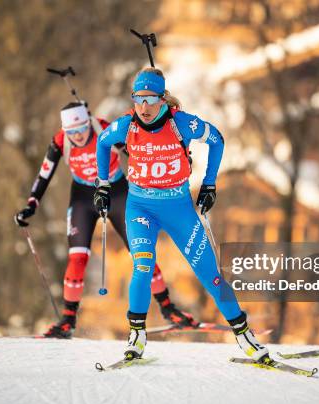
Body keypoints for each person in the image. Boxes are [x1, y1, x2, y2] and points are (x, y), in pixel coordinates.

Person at [94, 67, 269, 361]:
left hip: (178, 209)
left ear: (163, 99)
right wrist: (102, 185)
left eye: (151, 99)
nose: (145, 107)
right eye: (139, 99)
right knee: (143, 267)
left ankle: (244, 334)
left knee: (211, 275)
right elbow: (102, 142)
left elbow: (217, 140)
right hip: (140, 209)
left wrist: (210, 183)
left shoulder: (181, 124)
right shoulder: (125, 126)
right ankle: (136, 335)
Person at [15, 102, 197, 338]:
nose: (78, 136)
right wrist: (31, 204)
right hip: (83, 197)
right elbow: (44, 174)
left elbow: (137, 150)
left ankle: (169, 309)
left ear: (87, 121)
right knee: (77, 258)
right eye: (72, 132)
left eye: (81, 128)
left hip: (117, 191)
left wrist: (174, 158)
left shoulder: (103, 128)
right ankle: (68, 320)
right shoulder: (60, 140)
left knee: (141, 252)